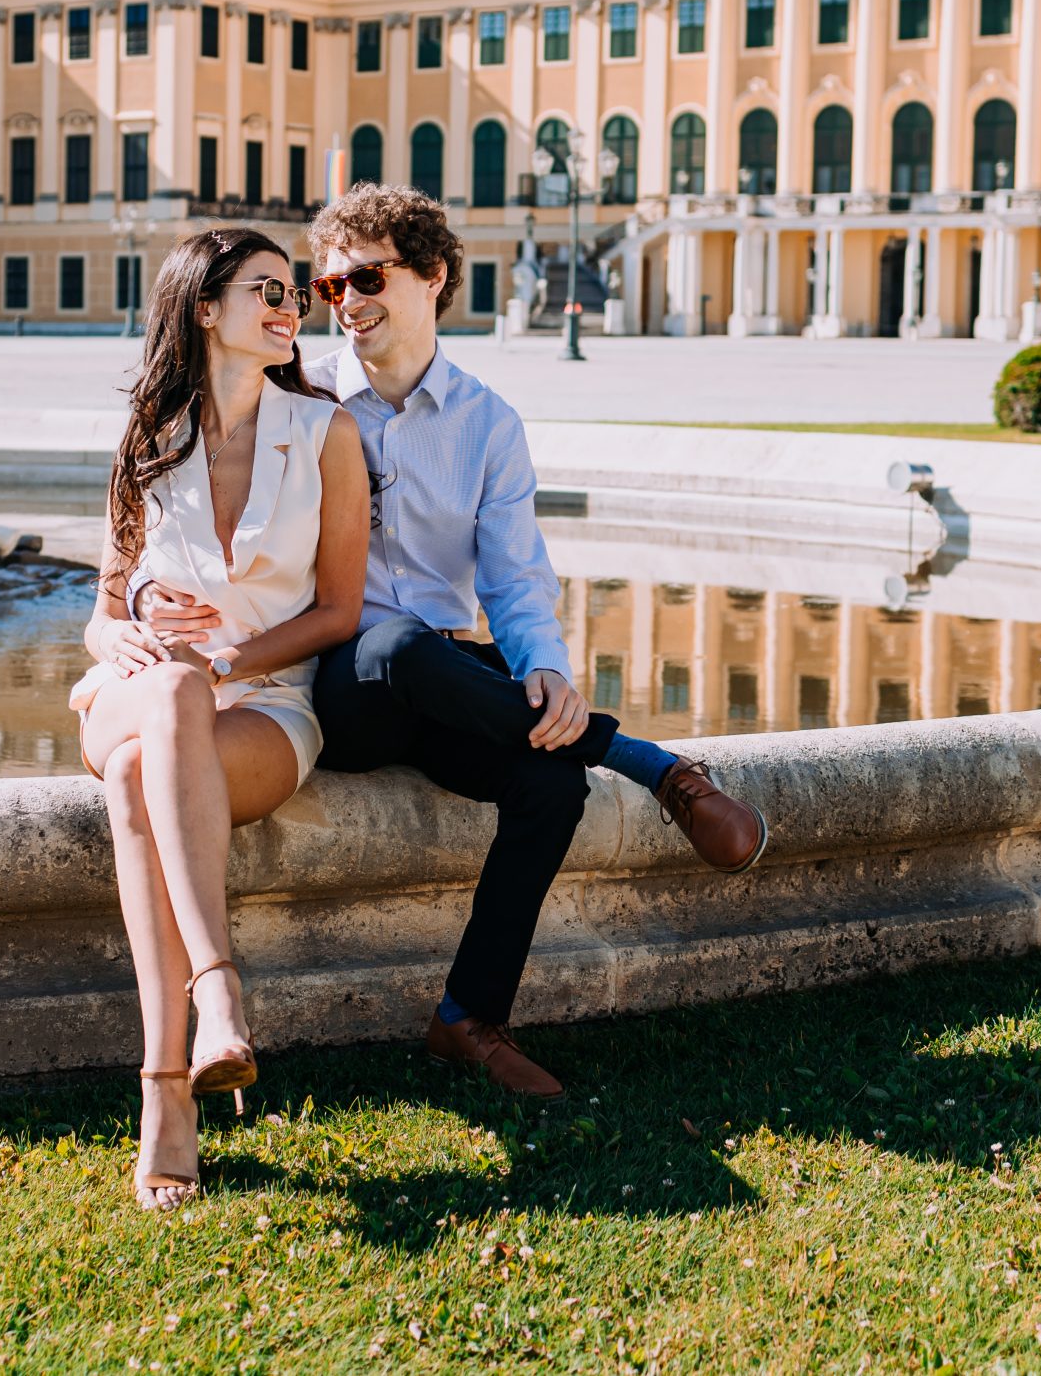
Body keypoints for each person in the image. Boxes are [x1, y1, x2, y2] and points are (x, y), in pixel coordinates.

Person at [138, 185, 769, 1101]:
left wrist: (546, 669)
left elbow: (515, 579)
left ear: (433, 277)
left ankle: (466, 1019)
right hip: (333, 684)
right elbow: (199, 518)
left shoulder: (489, 425)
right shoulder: (302, 404)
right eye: (328, 284)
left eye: (367, 276)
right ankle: (646, 759)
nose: (344, 300)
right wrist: (157, 598)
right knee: (390, 645)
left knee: (549, 785)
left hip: (448, 678)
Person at [70, 228, 367, 1210]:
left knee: (133, 780)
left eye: (293, 294)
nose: (292, 307)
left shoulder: (326, 434)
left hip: (266, 702)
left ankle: (165, 1095)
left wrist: (228, 655)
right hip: (139, 689)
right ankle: (217, 989)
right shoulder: (148, 438)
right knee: (166, 693)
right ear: (205, 309)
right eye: (266, 291)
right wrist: (123, 638)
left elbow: (337, 611)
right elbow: (104, 611)